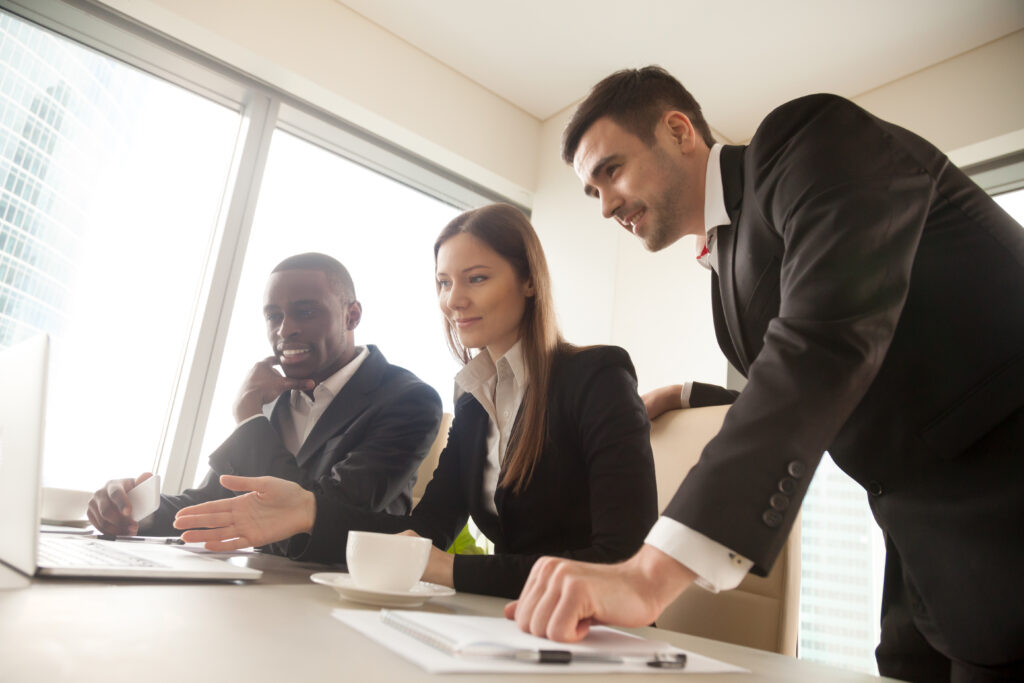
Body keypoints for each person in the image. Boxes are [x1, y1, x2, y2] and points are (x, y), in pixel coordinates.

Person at [508, 67, 1024, 682]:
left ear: (678, 131)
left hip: (1000, 497)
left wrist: (651, 573)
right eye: (593, 192)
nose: (606, 205)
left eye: (611, 171)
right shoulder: (723, 261)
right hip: (921, 540)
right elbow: (798, 383)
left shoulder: (804, 139)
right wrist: (689, 395)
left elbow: (823, 340)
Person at [173, 204, 662, 599]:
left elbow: (621, 560)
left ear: (529, 281)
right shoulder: (474, 398)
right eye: (444, 283)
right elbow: (426, 529)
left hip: (600, 632)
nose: (453, 301)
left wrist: (451, 570)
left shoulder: (596, 376)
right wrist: (310, 511)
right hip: (514, 619)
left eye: (476, 279)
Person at [87, 252, 443, 556]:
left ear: (352, 316)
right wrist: (134, 511)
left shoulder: (408, 400)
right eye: (274, 316)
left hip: (346, 588)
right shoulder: (272, 399)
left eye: (305, 312)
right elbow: (214, 500)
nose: (284, 330)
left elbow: (328, 509)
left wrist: (248, 418)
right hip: (262, 581)